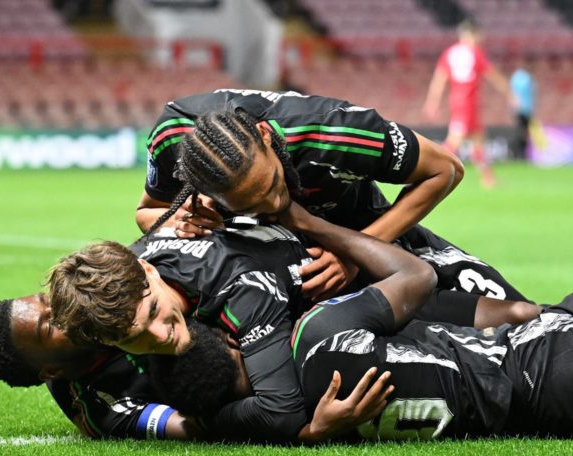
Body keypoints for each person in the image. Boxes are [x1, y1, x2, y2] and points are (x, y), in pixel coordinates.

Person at [155, 202, 573, 441]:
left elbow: (216, 424)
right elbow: (416, 277)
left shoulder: (296, 424)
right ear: (227, 340)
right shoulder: (314, 334)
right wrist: (304, 221)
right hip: (546, 361)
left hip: (532, 403)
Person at [138, 89, 529, 305]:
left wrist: (356, 253)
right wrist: (184, 220)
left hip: (361, 230)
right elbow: (149, 213)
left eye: (274, 184)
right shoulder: (176, 138)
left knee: (517, 315)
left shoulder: (336, 131)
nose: (276, 205)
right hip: (264, 258)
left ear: (264, 135)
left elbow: (446, 169)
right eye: (252, 202)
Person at [0, 292, 388, 442]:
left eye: (47, 301)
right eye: (48, 324)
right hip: (282, 374)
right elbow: (192, 427)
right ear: (48, 371)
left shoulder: (95, 298)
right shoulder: (99, 406)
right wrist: (304, 432)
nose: (61, 310)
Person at [422, 18, 514, 188]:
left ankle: (488, 178)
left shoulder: (449, 53)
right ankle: (429, 172)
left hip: (458, 100)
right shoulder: (474, 53)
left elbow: (439, 79)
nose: (480, 40)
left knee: (478, 140)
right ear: (471, 35)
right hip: (467, 103)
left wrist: (432, 102)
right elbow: (493, 75)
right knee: (453, 142)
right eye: (479, 36)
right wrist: (510, 94)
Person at [509, 60, 537, 160]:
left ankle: (518, 153)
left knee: (521, 130)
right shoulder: (527, 78)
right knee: (522, 132)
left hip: (518, 109)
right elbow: (530, 94)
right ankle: (519, 153)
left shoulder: (516, 77)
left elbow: (512, 93)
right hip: (524, 109)